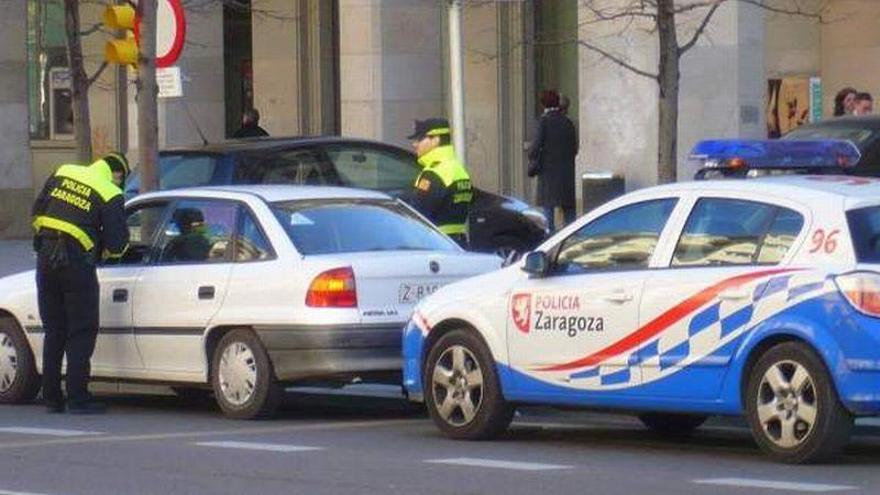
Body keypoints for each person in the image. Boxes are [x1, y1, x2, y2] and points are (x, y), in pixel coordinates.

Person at [31, 153, 130, 414]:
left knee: (54, 330)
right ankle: (78, 398)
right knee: (81, 330)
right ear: (118, 175)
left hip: (45, 257)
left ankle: (51, 397)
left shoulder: (63, 170)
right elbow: (117, 245)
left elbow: (36, 210)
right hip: (76, 263)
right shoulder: (109, 192)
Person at [406, 118, 473, 248]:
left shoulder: (433, 173)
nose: (415, 144)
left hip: (435, 245)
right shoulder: (458, 169)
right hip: (459, 243)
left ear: (436, 140)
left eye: (420, 139)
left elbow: (418, 215)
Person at [528, 90, 578, 231]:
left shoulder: (544, 121)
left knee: (548, 214)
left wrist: (533, 157)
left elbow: (535, 147)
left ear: (543, 104)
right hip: (566, 175)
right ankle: (570, 238)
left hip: (548, 174)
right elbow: (574, 149)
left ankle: (550, 240)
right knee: (569, 214)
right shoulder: (568, 122)